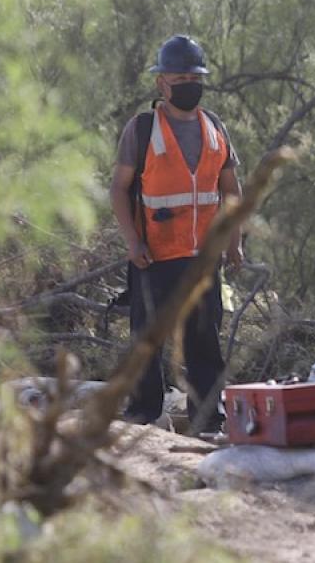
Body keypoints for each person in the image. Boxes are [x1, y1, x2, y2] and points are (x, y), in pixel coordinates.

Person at [109, 34, 244, 433]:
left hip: (203, 258)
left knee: (204, 344)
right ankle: (143, 415)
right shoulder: (142, 128)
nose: (188, 83)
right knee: (147, 341)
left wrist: (234, 244)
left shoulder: (215, 127)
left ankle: (207, 419)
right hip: (154, 258)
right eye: (179, 76)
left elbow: (231, 190)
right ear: (160, 83)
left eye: (194, 75)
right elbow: (118, 188)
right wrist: (133, 242)